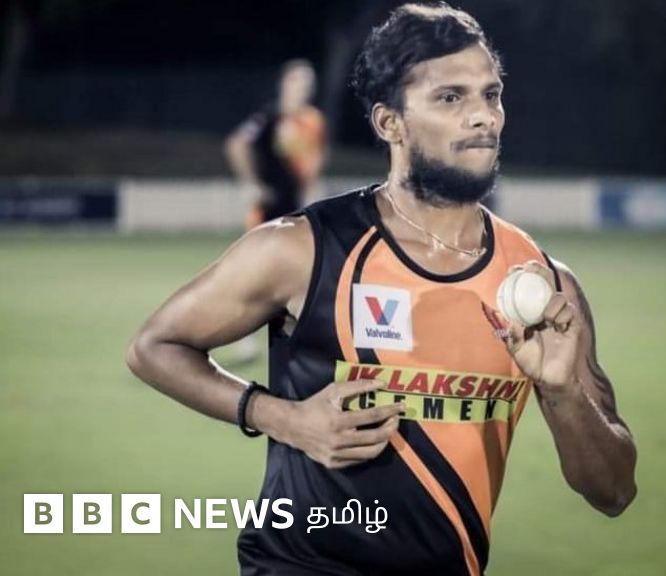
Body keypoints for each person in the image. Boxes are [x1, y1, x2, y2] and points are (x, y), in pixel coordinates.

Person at [127, 4, 637, 575]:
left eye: (491, 95)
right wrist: (282, 417)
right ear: (390, 123)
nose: (483, 116)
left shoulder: (542, 284)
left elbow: (614, 492)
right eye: (451, 97)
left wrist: (564, 392)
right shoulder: (303, 248)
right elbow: (154, 347)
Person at [225, 59, 326, 361]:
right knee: (255, 275)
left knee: (302, 274)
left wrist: (312, 193)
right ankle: (244, 337)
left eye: (307, 82)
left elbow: (314, 159)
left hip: (297, 210)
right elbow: (236, 144)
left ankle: (297, 338)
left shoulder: (313, 121)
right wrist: (250, 182)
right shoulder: (267, 118)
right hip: (267, 209)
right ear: (284, 83)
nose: (302, 87)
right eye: (296, 81)